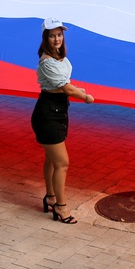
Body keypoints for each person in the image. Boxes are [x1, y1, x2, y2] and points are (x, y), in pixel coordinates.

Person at [30, 17, 94, 225]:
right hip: (48, 113)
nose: (56, 39)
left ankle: (50, 197)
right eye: (52, 35)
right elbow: (65, 88)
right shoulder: (47, 60)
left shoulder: (58, 56)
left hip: (58, 110)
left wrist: (77, 90)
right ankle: (61, 206)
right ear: (45, 37)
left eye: (59, 34)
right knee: (62, 163)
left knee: (52, 159)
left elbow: (64, 85)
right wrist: (84, 97)